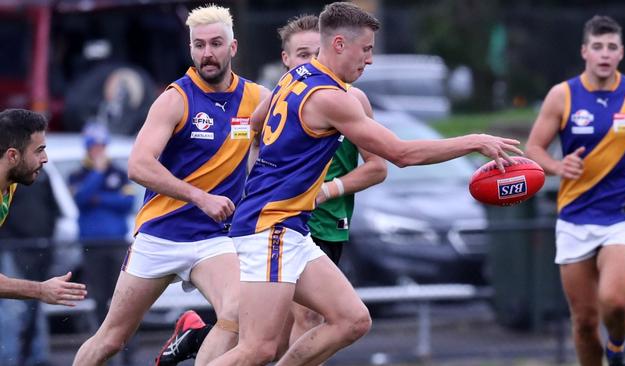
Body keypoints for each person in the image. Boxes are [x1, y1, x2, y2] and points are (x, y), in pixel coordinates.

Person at [208, 3, 521, 365]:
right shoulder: (329, 97)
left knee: (351, 320)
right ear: (339, 44)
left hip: (290, 227)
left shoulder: (296, 75)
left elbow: (256, 121)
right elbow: (401, 154)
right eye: (367, 49)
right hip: (270, 228)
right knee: (257, 348)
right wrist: (475, 141)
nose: (369, 60)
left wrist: (257, 164)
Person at [153, 14, 387, 366]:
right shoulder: (287, 93)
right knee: (284, 331)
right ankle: (197, 337)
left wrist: (328, 189)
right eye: (303, 54)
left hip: (324, 223)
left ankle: (195, 334)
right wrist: (232, 178)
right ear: (287, 60)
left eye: (315, 52)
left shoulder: (352, 99)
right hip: (279, 223)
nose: (311, 61)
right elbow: (247, 133)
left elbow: (380, 166)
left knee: (287, 335)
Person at [72, 5, 270, 366]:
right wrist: (200, 197)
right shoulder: (175, 99)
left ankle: (191, 340)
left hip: (214, 239)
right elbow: (138, 165)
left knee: (239, 312)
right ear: (191, 48)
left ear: (233, 47)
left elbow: (270, 147)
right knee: (110, 339)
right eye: (199, 45)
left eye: (215, 43)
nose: (207, 53)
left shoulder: (258, 98)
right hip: (161, 236)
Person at [526, 15, 625, 366]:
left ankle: (618, 348)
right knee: (583, 323)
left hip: (622, 217)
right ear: (585, 51)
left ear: (621, 52)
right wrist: (557, 167)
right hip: (575, 216)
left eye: (611, 47)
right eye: (598, 47)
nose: (604, 54)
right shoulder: (562, 95)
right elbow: (534, 148)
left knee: (614, 301)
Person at [0, 108, 87, 306]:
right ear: (12, 156)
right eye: (39, 150)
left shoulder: (11, 184)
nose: (45, 158)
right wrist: (40, 290)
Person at [69, 122, 136, 364]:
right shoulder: (79, 174)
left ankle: (129, 354)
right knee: (98, 299)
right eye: (94, 147)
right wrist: (97, 176)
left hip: (117, 242)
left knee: (126, 299)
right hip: (92, 245)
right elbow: (82, 199)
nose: (99, 151)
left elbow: (127, 203)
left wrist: (100, 198)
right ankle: (100, 352)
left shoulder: (118, 172)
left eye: (101, 146)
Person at [0, 167, 59, 366]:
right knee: (12, 308)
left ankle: (37, 358)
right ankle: (9, 358)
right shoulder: (8, 178)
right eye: (39, 150)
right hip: (14, 248)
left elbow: (53, 209)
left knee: (36, 307)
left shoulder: (43, 176)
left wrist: (46, 241)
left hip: (39, 248)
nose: (44, 159)